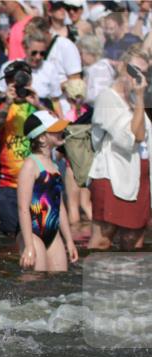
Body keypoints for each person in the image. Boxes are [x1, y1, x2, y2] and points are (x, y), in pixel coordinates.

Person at [88, 47, 151, 250]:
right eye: (134, 71)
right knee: (102, 241)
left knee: (134, 242)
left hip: (139, 178)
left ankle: (128, 274)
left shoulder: (131, 99)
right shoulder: (107, 98)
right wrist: (140, 98)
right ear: (122, 68)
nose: (139, 78)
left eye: (144, 73)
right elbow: (134, 138)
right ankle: (94, 271)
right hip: (113, 176)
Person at [0, 60, 45, 237]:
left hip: (39, 182)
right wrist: (7, 104)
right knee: (10, 238)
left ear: (29, 80)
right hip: (8, 184)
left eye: (18, 79)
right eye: (9, 80)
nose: (14, 83)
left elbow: (59, 132)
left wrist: (38, 105)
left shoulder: (42, 104)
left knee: (41, 236)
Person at [15, 110, 78, 271]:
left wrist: (69, 240)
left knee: (58, 280)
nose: (61, 131)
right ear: (42, 138)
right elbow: (23, 208)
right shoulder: (31, 165)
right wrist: (29, 245)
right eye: (55, 129)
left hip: (53, 233)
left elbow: (60, 206)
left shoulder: (55, 166)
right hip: (32, 233)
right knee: (36, 280)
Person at [79, 34, 115, 104]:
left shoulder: (100, 68)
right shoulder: (92, 68)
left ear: (91, 52)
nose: (79, 57)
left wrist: (81, 94)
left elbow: (98, 95)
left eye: (81, 53)